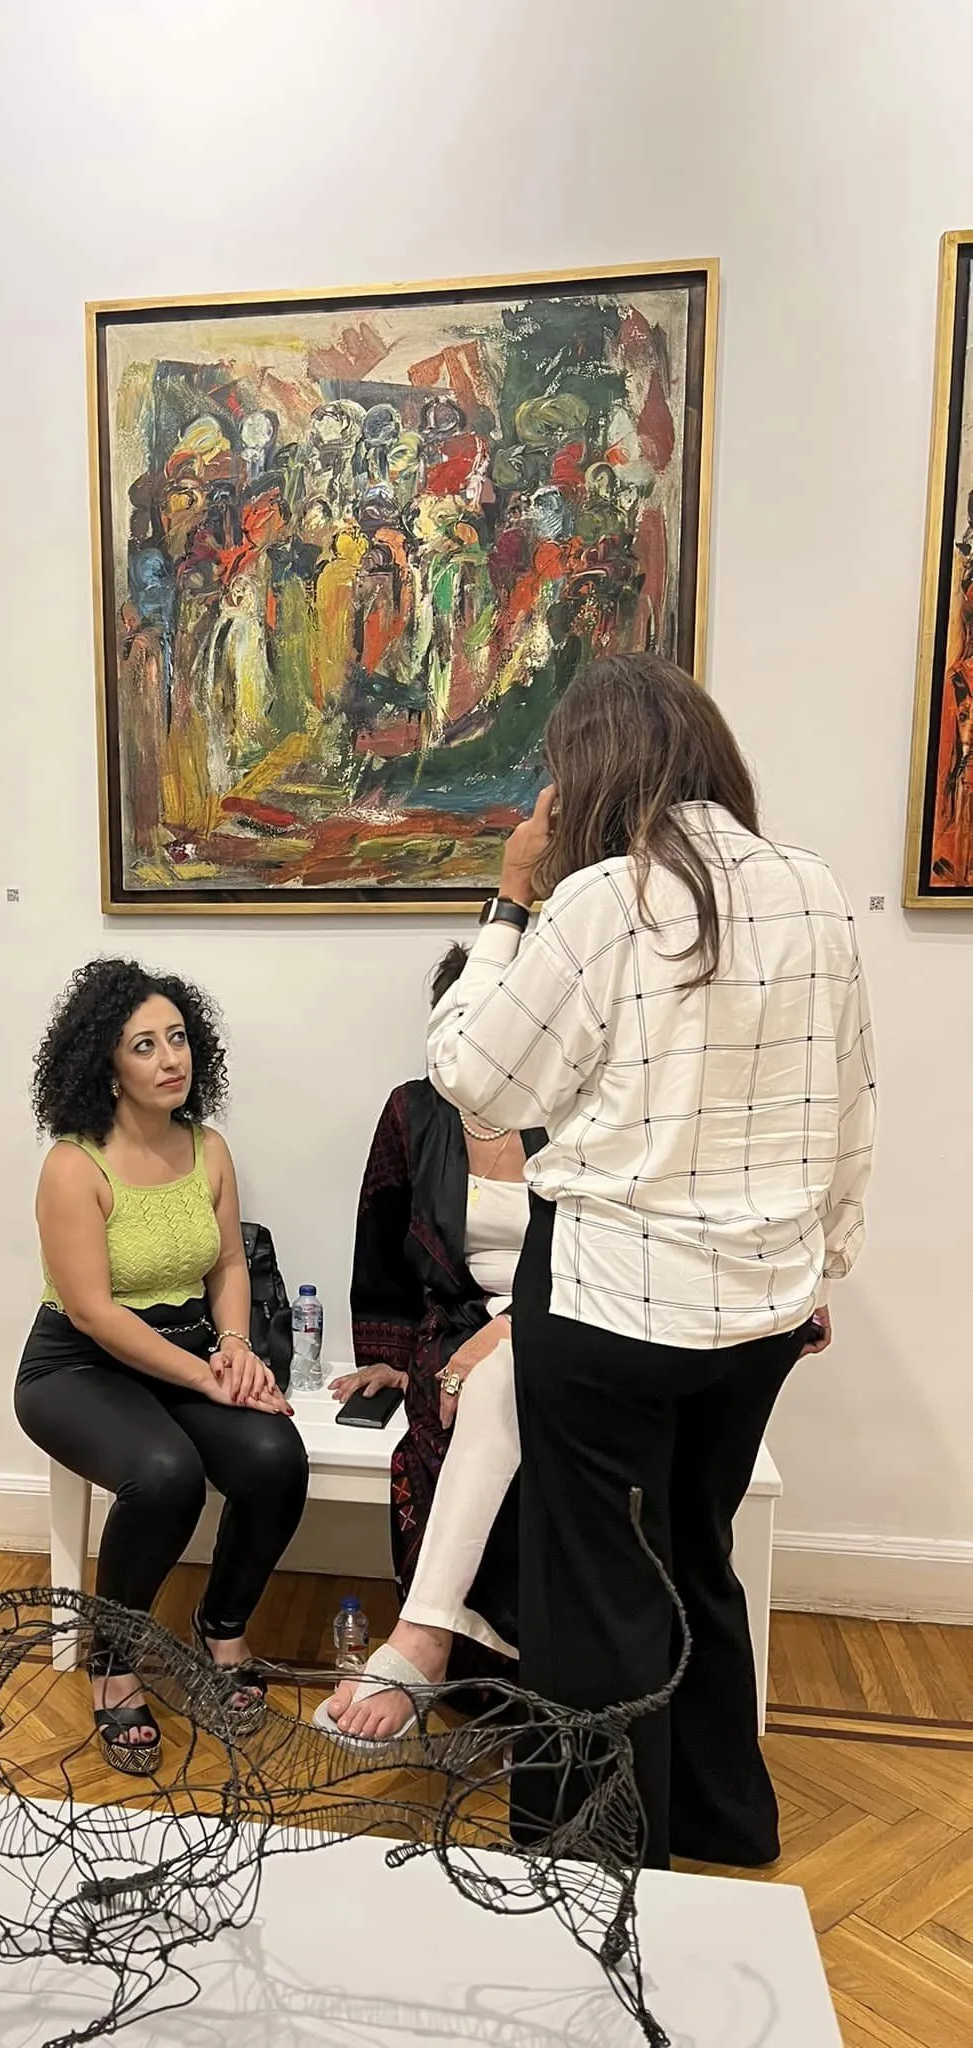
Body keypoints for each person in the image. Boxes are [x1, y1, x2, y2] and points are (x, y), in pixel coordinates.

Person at [426, 654, 875, 1870]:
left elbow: (476, 1079)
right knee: (697, 1557)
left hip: (609, 1303)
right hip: (764, 1302)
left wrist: (507, 902)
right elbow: (848, 1098)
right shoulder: (813, 888)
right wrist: (824, 1261)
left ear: (588, 773)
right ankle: (725, 1821)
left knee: (600, 1586)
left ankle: (600, 1867)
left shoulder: (596, 901)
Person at [15, 959, 309, 1775]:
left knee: (276, 1459)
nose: (170, 1058)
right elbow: (93, 1313)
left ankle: (221, 1627)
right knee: (165, 1474)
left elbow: (230, 1265)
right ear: (105, 1063)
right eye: (144, 1045)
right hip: (76, 1366)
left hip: (191, 1349)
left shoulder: (209, 1149)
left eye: (177, 1038)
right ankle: (113, 1660)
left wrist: (236, 1348)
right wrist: (207, 1376)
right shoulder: (74, 1165)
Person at [316, 946, 545, 1745]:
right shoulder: (414, 1112)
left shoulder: (581, 1111)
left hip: (570, 1319)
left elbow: (606, 1254)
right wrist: (385, 1352)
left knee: (526, 1424)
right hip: (452, 1326)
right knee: (436, 1430)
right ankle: (453, 1662)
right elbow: (379, 1236)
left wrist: (511, 1332)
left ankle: (508, 1664)